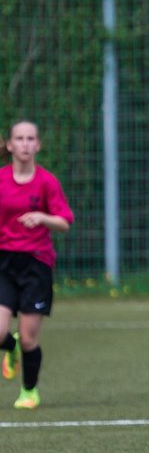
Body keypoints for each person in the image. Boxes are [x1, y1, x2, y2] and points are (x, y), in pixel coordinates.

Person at [0, 120, 74, 410]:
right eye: (19, 138)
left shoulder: (47, 182)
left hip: (35, 264)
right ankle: (10, 347)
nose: (25, 144)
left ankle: (29, 391)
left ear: (38, 145)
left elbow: (65, 222)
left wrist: (42, 217)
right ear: (10, 145)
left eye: (31, 138)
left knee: (30, 338)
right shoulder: (1, 179)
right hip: (4, 262)